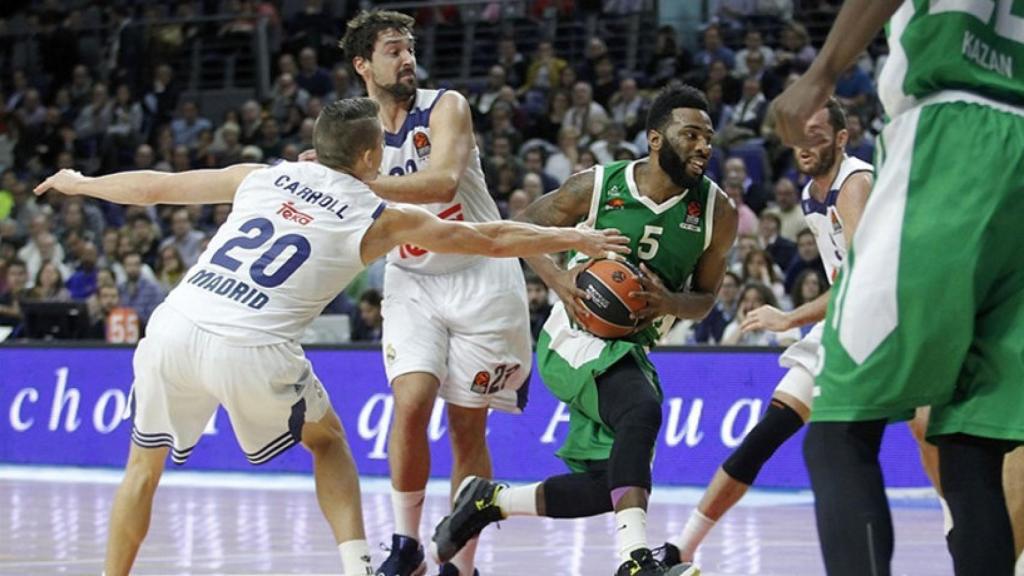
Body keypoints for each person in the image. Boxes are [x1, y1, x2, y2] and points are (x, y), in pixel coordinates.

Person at [32, 97, 626, 576]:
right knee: (330, 443)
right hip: (251, 344)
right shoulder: (378, 216)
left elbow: (157, 187)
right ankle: (358, 566)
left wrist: (81, 183)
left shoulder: (265, 175)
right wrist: (576, 239)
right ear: (371, 156)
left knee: (142, 468)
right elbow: (491, 238)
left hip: (176, 324)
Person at [429, 85, 738, 576]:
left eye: (709, 138)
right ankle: (635, 562)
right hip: (574, 336)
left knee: (609, 484)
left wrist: (669, 302)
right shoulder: (597, 186)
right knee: (641, 409)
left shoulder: (718, 213)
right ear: (656, 139)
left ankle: (489, 501)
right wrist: (559, 279)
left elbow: (704, 300)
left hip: (633, 348)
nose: (703, 146)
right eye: (691, 135)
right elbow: (524, 225)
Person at [772, 2, 1024, 574]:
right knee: (970, 446)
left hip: (951, 129)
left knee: (837, 429)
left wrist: (822, 71)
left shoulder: (851, 179)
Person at [339, 12, 540, 576]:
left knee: (466, 426)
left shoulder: (446, 105)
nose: (407, 59)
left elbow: (444, 180)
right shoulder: (354, 131)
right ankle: (406, 548)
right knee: (410, 404)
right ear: (363, 65)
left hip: (480, 274)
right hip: (412, 281)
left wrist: (359, 181)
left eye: (410, 49)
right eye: (393, 50)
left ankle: (460, 563)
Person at [663, 100, 873, 565]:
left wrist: (789, 318)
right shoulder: (810, 194)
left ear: (842, 139)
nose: (804, 145)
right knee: (764, 436)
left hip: (885, 329)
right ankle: (681, 547)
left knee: (921, 444)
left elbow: (863, 278)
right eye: (799, 136)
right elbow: (844, 282)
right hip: (842, 327)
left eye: (817, 135)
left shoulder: (854, 183)